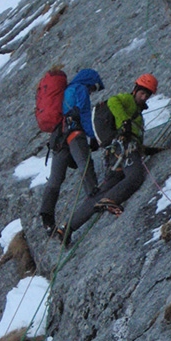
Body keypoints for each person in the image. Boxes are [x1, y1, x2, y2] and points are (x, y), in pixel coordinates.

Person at [56, 74, 159, 245]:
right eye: (142, 93)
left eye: (148, 95)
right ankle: (111, 200)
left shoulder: (137, 115)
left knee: (102, 191)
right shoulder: (127, 100)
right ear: (135, 90)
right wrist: (125, 122)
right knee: (135, 177)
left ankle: (67, 227)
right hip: (124, 148)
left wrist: (147, 150)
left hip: (115, 155)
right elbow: (113, 102)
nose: (144, 97)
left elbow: (134, 137)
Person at [39, 68, 104, 234]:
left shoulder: (67, 91)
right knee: (85, 164)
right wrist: (94, 136)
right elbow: (83, 114)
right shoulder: (80, 89)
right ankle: (94, 196)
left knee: (55, 178)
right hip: (74, 134)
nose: (92, 91)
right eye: (93, 87)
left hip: (58, 138)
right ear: (89, 82)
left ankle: (47, 217)